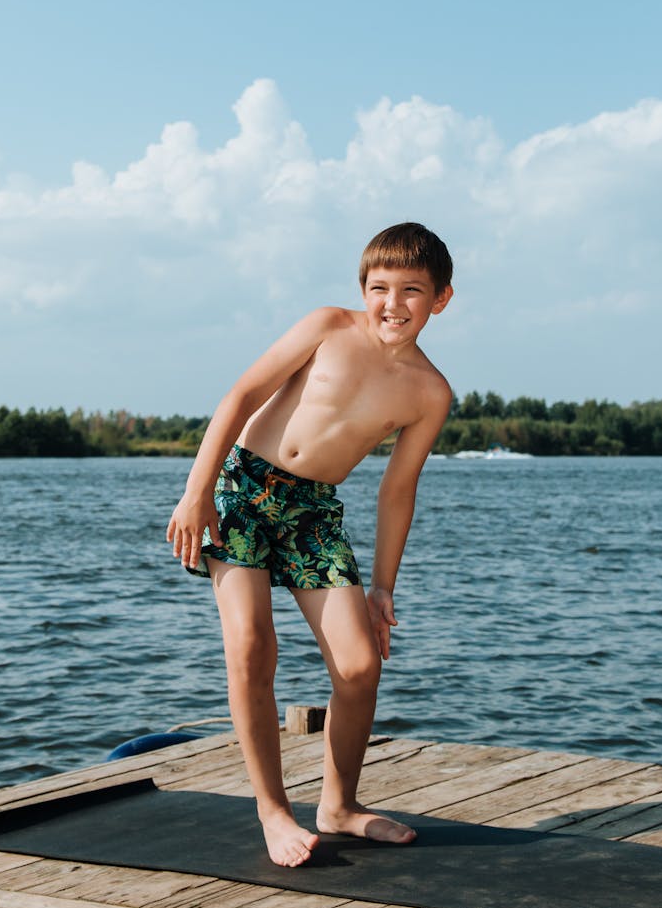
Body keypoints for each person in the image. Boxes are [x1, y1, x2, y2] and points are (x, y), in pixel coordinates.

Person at [167, 222, 453, 867]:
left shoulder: (430, 393)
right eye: (380, 288)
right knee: (249, 644)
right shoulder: (327, 326)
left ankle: (338, 805)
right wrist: (197, 491)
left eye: (412, 290)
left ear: (441, 299)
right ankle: (273, 810)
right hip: (241, 490)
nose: (393, 303)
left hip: (313, 515)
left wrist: (382, 586)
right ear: (363, 289)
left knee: (359, 666)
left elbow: (396, 490)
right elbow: (241, 395)